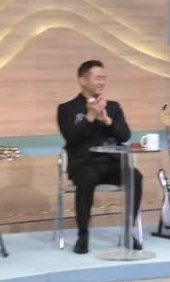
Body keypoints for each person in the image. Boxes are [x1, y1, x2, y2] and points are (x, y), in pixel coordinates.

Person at [57, 60, 143, 254]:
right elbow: (71, 138)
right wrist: (89, 116)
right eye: (97, 78)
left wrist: (106, 119)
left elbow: (125, 136)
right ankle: (83, 235)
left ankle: (128, 231)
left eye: (104, 78)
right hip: (83, 163)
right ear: (82, 80)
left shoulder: (112, 107)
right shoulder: (67, 108)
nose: (102, 82)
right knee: (86, 178)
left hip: (111, 164)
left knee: (135, 176)